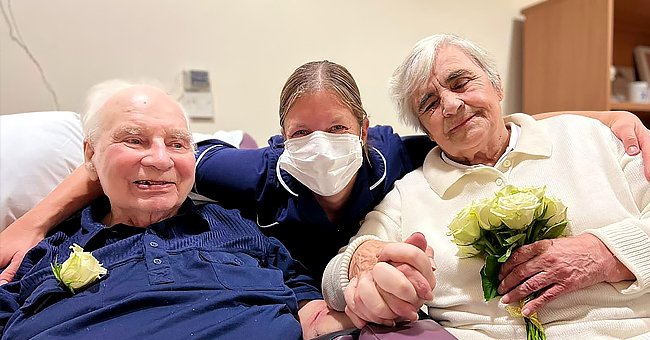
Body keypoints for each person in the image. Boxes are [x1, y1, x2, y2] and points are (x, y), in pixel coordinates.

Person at [1, 62, 648, 290]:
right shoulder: (243, 169)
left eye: (337, 129)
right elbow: (133, 164)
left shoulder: (397, 152)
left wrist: (606, 112)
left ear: (365, 131)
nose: (321, 145)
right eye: (301, 133)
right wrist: (30, 223)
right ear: (280, 137)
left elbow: (487, 122)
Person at [322, 34, 650, 339]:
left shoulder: (593, 138)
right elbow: (335, 277)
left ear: (497, 86)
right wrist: (360, 261)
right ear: (427, 131)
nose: (451, 105)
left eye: (461, 83)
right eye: (430, 104)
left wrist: (607, 254)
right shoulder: (411, 193)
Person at [0, 81, 353, 339]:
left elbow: (308, 305)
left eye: (177, 143)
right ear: (91, 155)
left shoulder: (241, 229)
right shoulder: (43, 253)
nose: (159, 159)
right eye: (134, 140)